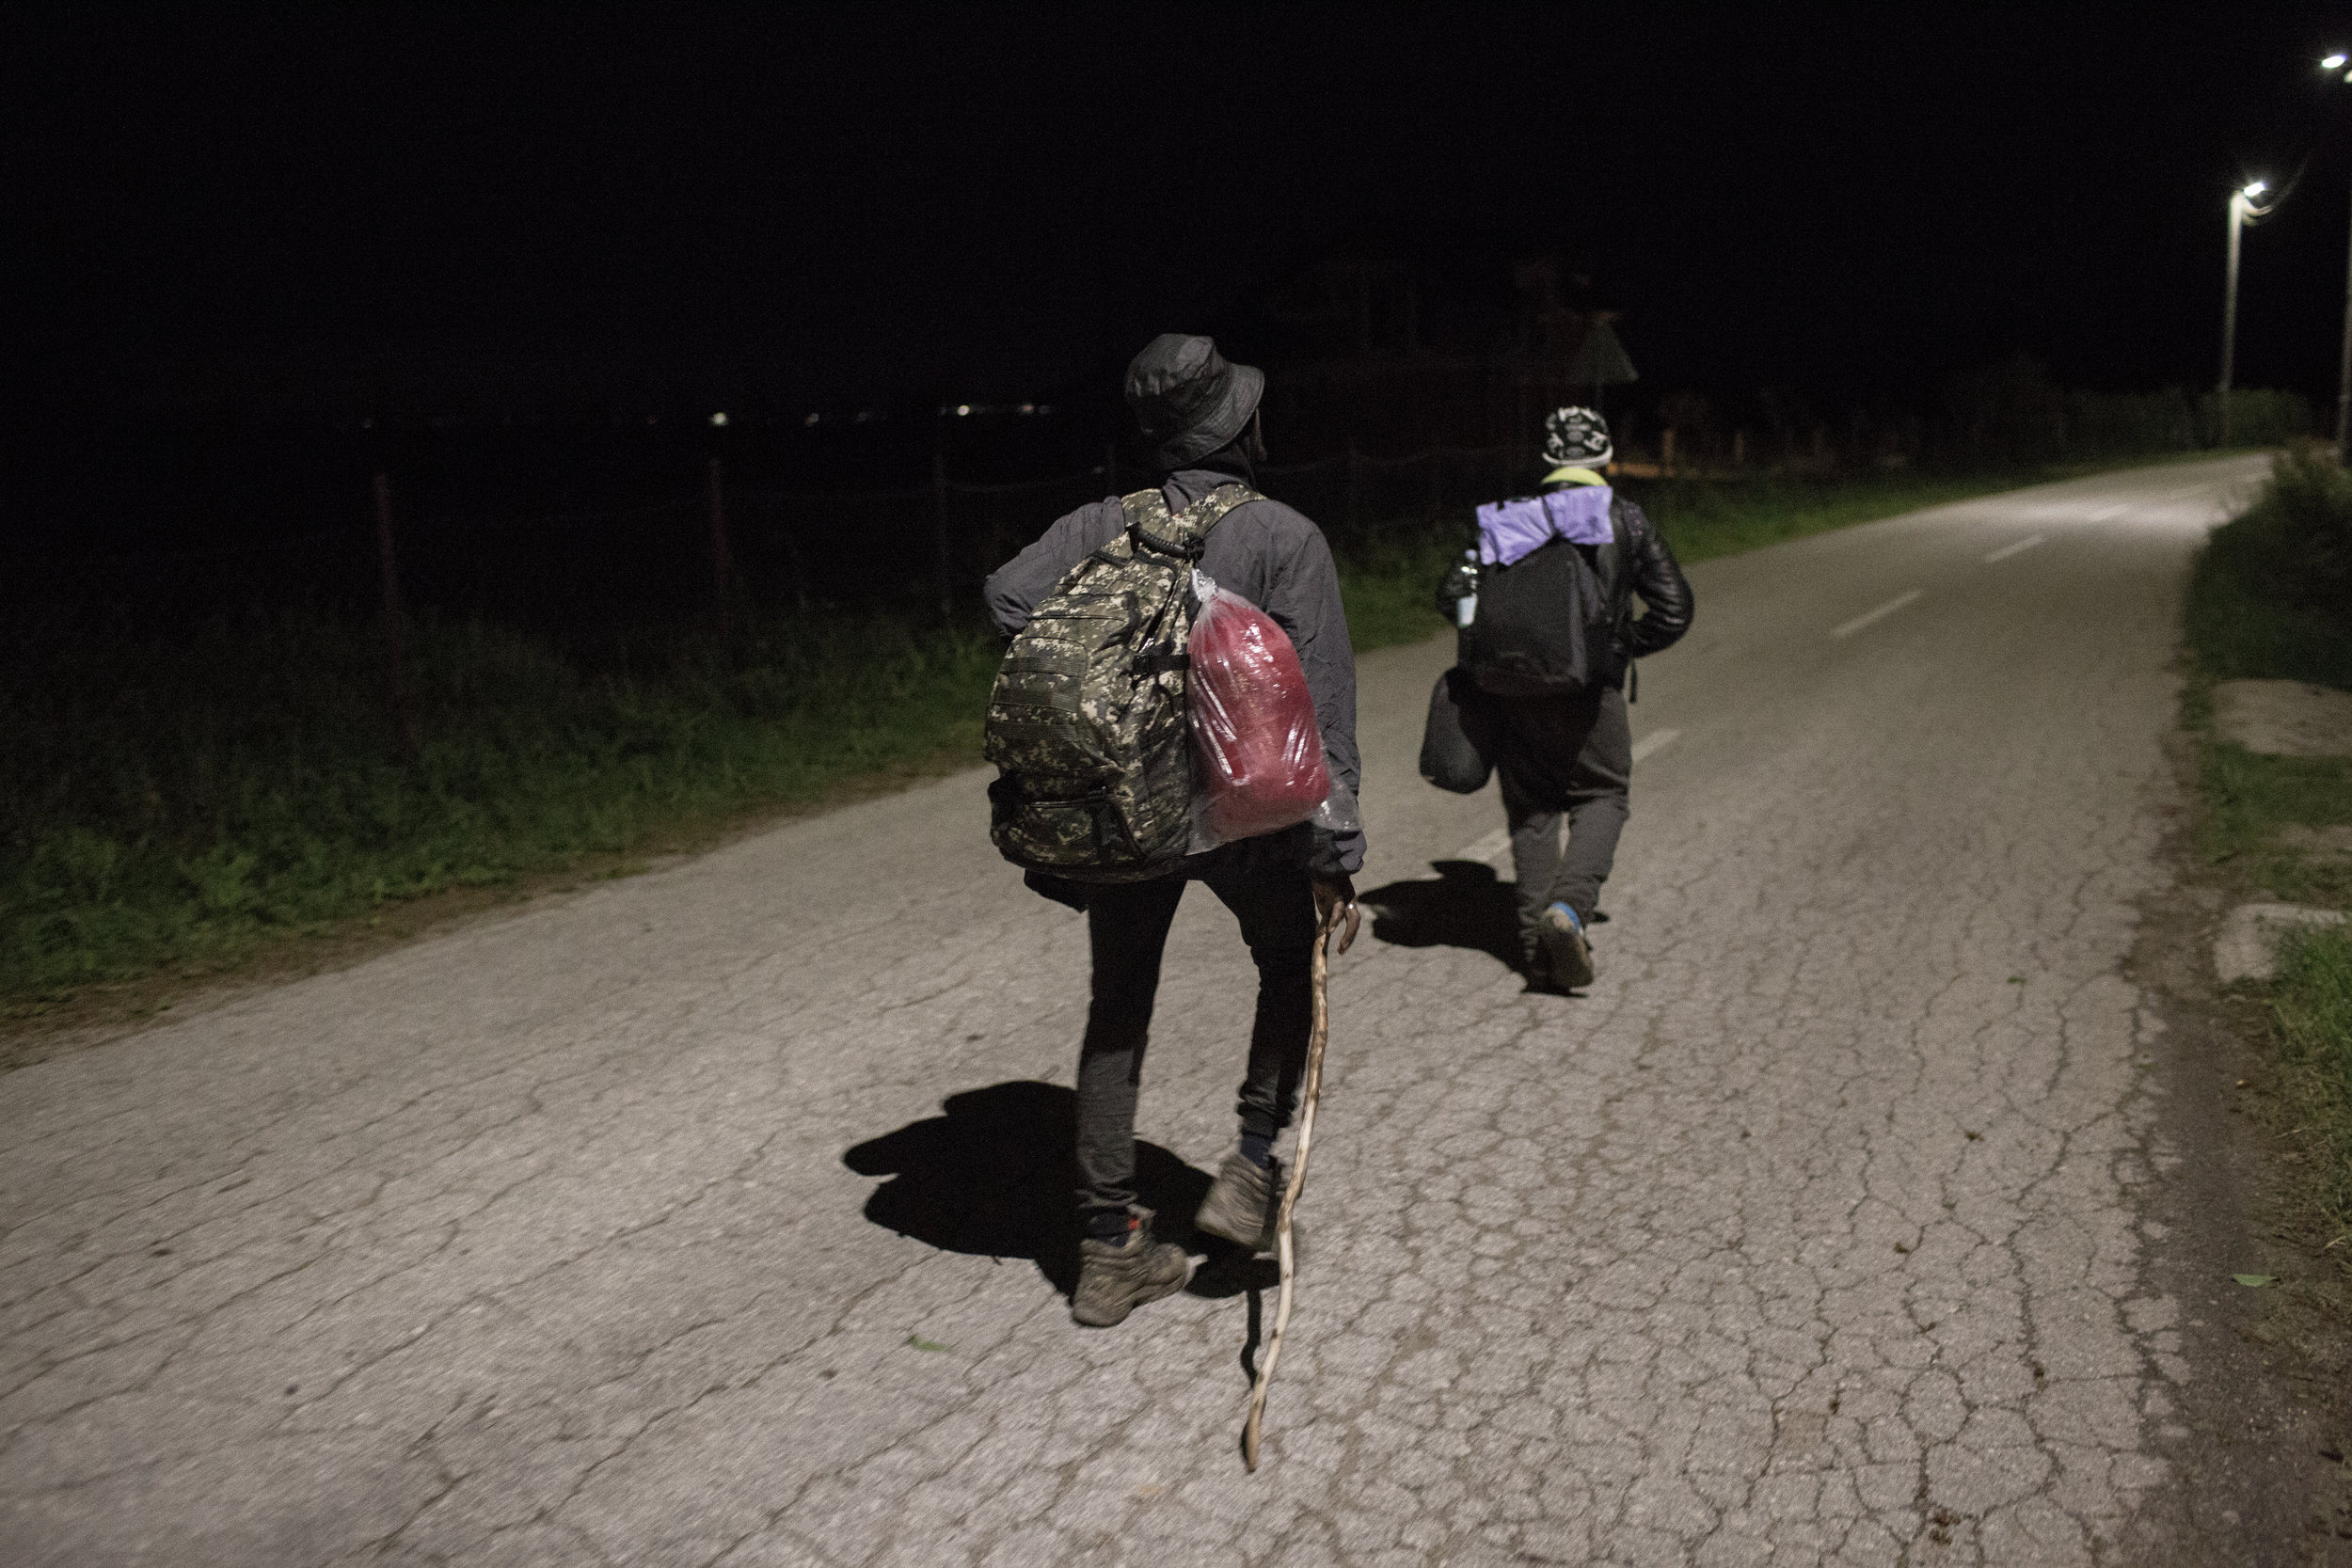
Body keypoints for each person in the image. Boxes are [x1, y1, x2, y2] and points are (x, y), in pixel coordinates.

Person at [983, 335, 1363, 1328]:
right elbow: (1324, 707)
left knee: (1120, 1005)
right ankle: (1247, 1163)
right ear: (1238, 425)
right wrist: (1338, 853)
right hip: (1252, 812)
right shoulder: (1283, 536)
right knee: (1291, 964)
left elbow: (1007, 597)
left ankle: (1108, 1249)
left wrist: (1128, 651)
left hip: (1129, 807)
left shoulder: (1099, 527)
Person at [1448, 405, 1692, 992]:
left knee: (1533, 813)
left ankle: (1538, 953)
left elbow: (1453, 593)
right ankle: (1571, 910)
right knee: (1602, 794)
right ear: (1607, 460)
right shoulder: (1623, 519)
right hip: (1589, 694)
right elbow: (1675, 610)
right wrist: (1616, 647)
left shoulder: (1511, 518)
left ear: (1549, 461)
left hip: (1508, 690)